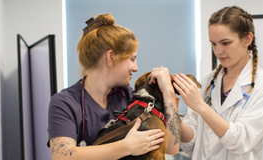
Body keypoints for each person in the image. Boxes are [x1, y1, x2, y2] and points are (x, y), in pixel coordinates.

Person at [48, 13, 180, 160]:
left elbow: (172, 147)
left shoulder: (131, 98)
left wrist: (168, 91)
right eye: (132, 59)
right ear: (110, 58)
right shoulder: (65, 103)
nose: (136, 68)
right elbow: (63, 155)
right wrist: (126, 147)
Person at [172, 6, 263, 160]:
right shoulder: (207, 82)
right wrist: (171, 113)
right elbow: (191, 143)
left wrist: (200, 106)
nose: (218, 51)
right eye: (214, 44)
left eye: (225, 43)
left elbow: (241, 140)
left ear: (247, 39)